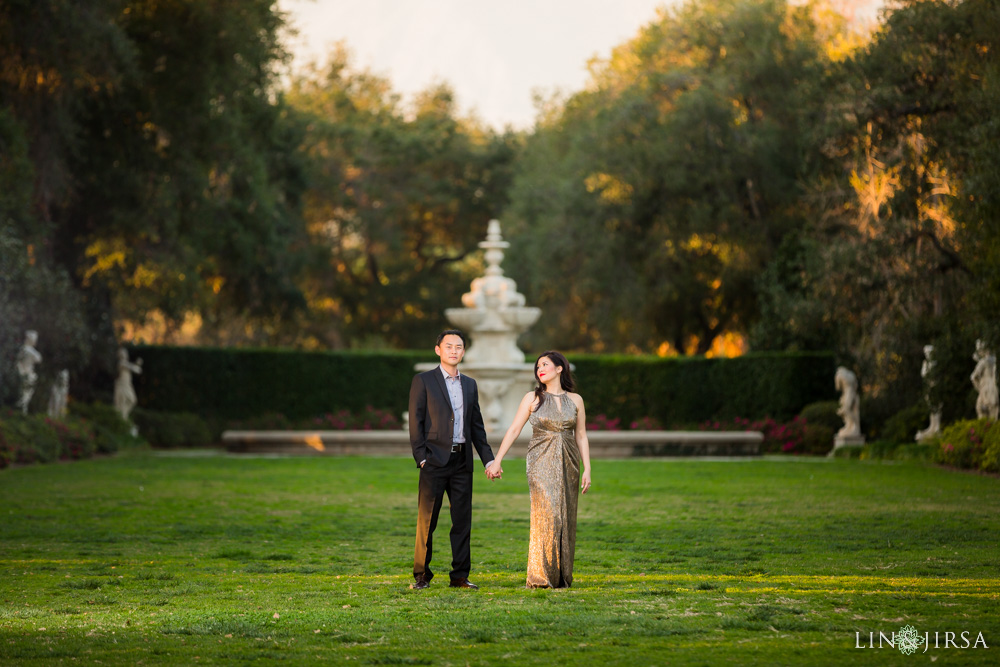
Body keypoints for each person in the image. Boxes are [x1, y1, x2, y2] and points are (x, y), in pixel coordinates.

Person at [487, 350, 592, 588]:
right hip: (540, 462)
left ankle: (561, 576)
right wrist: (497, 459)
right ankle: (541, 576)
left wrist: (587, 468)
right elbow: (514, 429)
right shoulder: (532, 398)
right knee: (548, 514)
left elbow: (582, 435)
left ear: (559, 368)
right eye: (537, 367)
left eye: (545, 365)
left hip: (569, 461)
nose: (539, 369)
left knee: (565, 515)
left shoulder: (576, 400)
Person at [409, 329, 495, 590]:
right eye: (449, 346)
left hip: (462, 463)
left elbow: (477, 426)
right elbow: (416, 422)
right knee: (427, 521)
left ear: (463, 351)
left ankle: (459, 576)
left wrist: (488, 460)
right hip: (434, 461)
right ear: (438, 350)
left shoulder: (470, 384)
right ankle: (422, 576)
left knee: (462, 521)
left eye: (459, 347)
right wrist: (421, 458)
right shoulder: (423, 381)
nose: (454, 351)